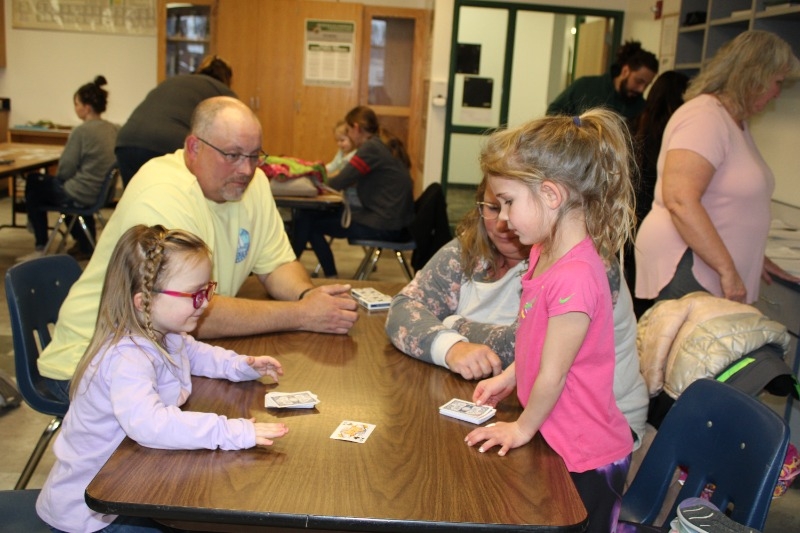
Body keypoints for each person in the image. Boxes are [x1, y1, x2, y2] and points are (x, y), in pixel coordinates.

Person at [38, 96, 358, 403]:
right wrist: (301, 315)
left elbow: (277, 264)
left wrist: (307, 297)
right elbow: (191, 312)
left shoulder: (252, 184)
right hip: (93, 362)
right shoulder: (164, 193)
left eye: (254, 155)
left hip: (170, 352)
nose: (246, 169)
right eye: (232, 155)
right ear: (194, 147)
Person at [35, 224, 289, 533]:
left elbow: (194, 353)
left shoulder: (163, 332)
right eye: (194, 294)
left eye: (207, 290)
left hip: (128, 484)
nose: (206, 302)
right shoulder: (126, 357)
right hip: (94, 513)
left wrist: (240, 366)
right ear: (143, 302)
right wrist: (231, 431)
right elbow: (152, 426)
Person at [464, 109, 636, 533]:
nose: (502, 218)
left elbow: (555, 374)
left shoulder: (575, 278)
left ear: (551, 196)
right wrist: (509, 377)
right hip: (556, 437)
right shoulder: (543, 253)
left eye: (508, 202)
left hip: (586, 456)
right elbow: (536, 343)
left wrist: (521, 428)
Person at [385, 178, 649, 449]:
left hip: (597, 426)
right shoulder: (466, 250)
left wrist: (452, 324)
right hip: (530, 411)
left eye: (511, 204)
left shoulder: (583, 263)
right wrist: (451, 348)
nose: (503, 220)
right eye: (492, 207)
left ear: (547, 200)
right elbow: (403, 308)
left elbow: (527, 347)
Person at [635, 31, 800, 306]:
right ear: (754, 75)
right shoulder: (705, 117)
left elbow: (726, 199)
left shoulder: (734, 121)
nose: (777, 93)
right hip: (690, 263)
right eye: (777, 82)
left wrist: (756, 255)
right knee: (689, 348)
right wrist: (727, 269)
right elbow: (680, 199)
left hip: (706, 262)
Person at [290, 106, 415, 278]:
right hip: (391, 221)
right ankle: (319, 272)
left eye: (348, 130)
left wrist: (306, 179)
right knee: (309, 217)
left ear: (356, 128)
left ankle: (290, 268)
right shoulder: (379, 145)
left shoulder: (370, 149)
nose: (348, 135)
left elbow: (338, 182)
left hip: (383, 225)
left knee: (307, 219)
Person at [20, 75, 118, 262]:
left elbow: (65, 169)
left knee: (34, 183)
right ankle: (84, 244)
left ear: (86, 107)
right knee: (68, 189)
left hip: (81, 193)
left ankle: (40, 245)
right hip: (101, 193)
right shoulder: (112, 128)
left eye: (76, 104)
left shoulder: (81, 131)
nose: (75, 108)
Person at [115, 55, 236, 186]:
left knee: (136, 197)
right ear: (227, 79)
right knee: (175, 198)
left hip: (126, 140)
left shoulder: (174, 80)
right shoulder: (223, 94)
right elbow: (235, 135)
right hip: (166, 143)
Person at [625, 70, 689, 317]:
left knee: (633, 295)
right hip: (659, 225)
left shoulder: (633, 125)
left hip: (630, 222)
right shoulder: (677, 137)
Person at [547, 40, 658, 121]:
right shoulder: (585, 86)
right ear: (625, 71)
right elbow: (553, 114)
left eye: (647, 85)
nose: (641, 89)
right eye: (639, 81)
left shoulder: (642, 108)